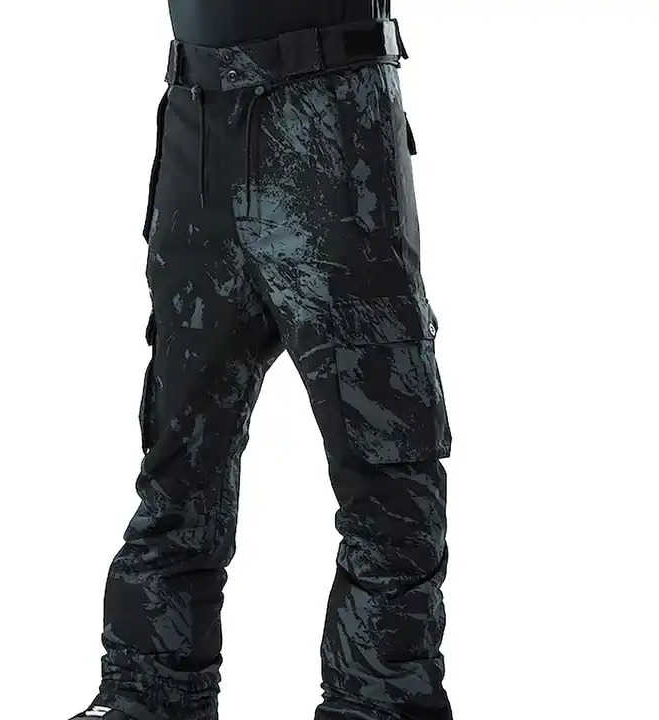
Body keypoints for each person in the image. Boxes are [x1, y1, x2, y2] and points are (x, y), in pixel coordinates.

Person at [70, 2, 453, 719]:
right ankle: (150, 697)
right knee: (178, 463)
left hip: (331, 123)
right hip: (197, 124)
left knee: (383, 463)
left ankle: (380, 703)